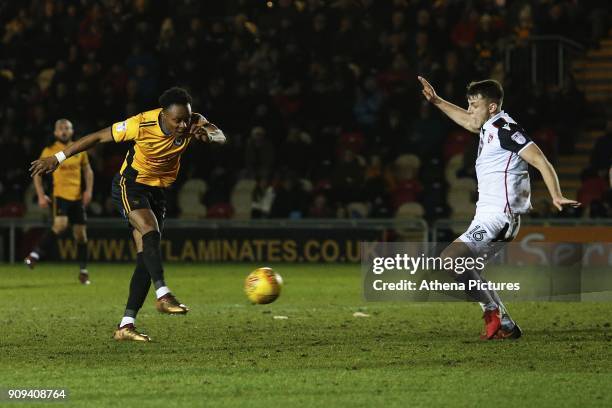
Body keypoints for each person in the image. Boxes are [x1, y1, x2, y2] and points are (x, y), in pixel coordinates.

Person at [30, 87, 226, 342]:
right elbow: (98, 137)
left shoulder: (193, 122)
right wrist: (58, 157)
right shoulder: (141, 124)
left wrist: (208, 135)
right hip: (130, 184)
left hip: (157, 191)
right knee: (149, 230)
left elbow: (220, 135)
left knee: (147, 255)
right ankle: (163, 295)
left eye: (186, 119)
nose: (183, 125)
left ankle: (126, 325)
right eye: (178, 120)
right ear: (164, 115)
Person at [418, 76, 580, 340]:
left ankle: (492, 311)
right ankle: (505, 323)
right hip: (488, 215)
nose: (470, 110)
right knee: (468, 269)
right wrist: (437, 101)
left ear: (492, 107)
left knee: (450, 260)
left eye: (474, 104)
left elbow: (540, 159)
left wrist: (556, 195)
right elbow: (470, 122)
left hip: (498, 217)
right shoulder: (488, 125)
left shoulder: (506, 128)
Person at [25, 119, 93, 285]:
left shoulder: (79, 148)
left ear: (72, 131)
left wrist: (88, 191)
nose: (64, 131)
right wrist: (41, 195)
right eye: (61, 128)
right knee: (60, 225)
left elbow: (88, 171)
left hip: (77, 198)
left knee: (81, 236)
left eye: (67, 128)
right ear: (55, 132)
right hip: (60, 196)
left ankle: (83, 271)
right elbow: (37, 174)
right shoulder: (49, 150)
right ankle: (35, 255)